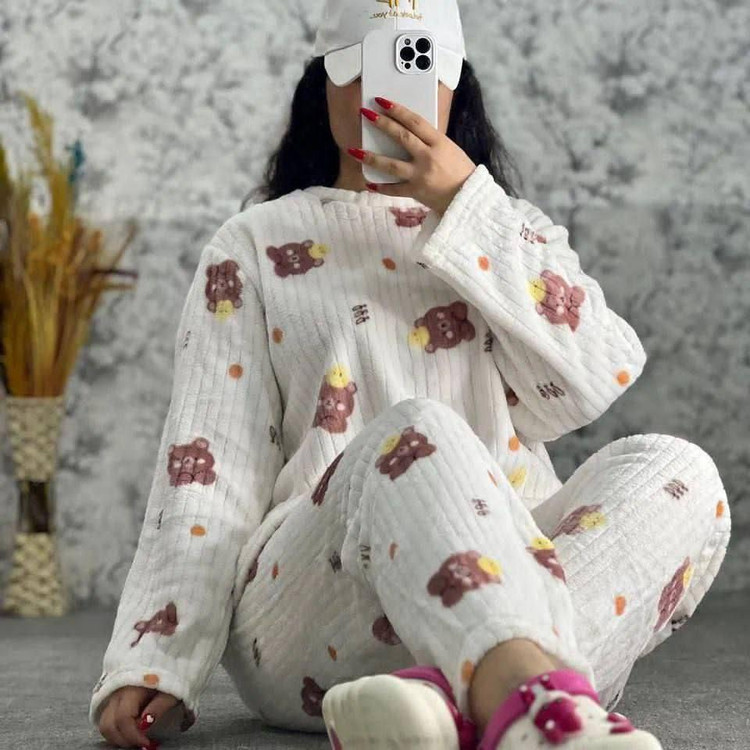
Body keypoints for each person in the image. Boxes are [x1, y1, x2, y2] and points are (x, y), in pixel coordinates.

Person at [89, 1, 731, 748]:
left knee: (679, 471)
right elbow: (209, 466)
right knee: (421, 431)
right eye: (360, 66)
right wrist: (156, 656)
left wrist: (466, 208)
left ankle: (450, 701)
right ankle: (534, 706)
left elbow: (594, 379)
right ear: (321, 83)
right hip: (315, 604)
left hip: (507, 570)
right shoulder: (254, 245)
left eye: (413, 65)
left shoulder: (505, 229)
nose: (382, 91)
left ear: (454, 88)